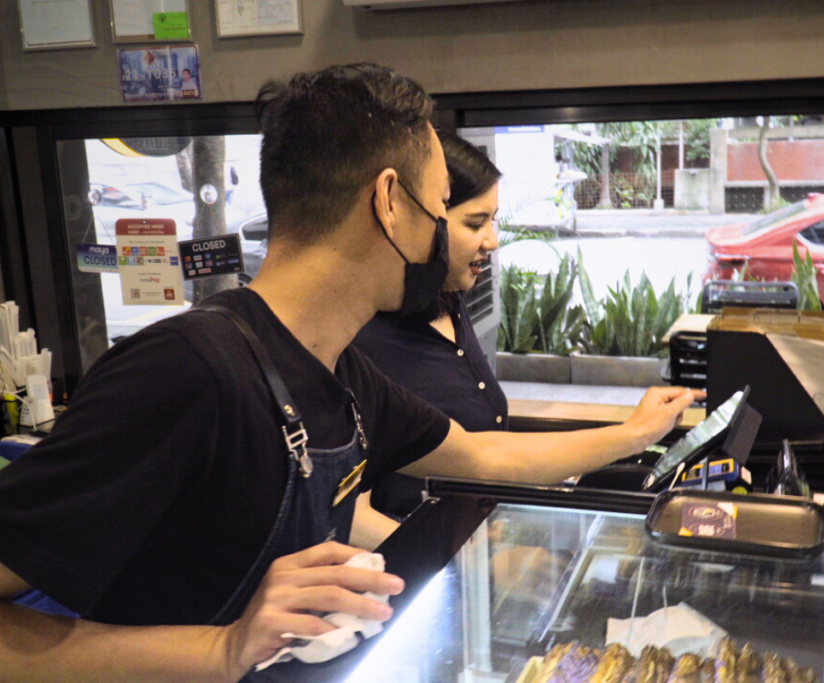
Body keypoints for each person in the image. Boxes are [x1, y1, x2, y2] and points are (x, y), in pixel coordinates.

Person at [0, 63, 701, 682]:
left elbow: (485, 452)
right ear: (390, 202)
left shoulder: (344, 376)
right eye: (438, 207)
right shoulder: (189, 371)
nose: (448, 237)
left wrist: (637, 430)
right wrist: (222, 649)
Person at [353, 130, 505, 520]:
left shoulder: (451, 299)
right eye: (475, 224)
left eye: (494, 221)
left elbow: (484, 453)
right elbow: (350, 510)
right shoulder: (360, 336)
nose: (493, 240)